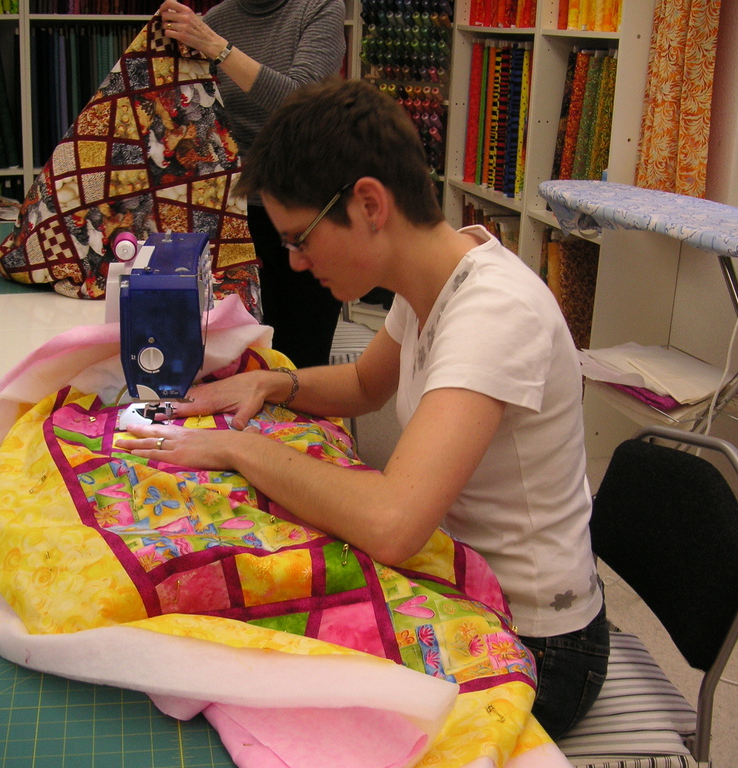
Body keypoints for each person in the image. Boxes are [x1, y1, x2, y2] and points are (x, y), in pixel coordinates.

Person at [116, 78, 609, 740]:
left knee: (263, 672)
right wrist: (271, 385)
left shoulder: (496, 312)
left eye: (300, 239)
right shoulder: (433, 278)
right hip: (461, 580)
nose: (295, 264)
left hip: (538, 646)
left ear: (370, 204)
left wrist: (241, 447)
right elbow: (363, 385)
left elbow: (392, 522)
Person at [157, 0, 347, 368]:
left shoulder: (318, 8)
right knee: (238, 357)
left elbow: (300, 101)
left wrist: (218, 48)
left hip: (308, 216)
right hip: (235, 216)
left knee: (299, 362)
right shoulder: (216, 20)